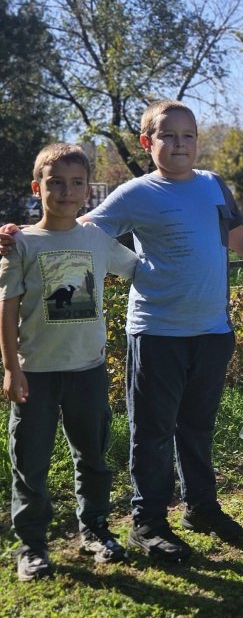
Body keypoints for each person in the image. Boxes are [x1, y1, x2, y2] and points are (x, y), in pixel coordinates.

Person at [84, 100, 243, 562]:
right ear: (148, 143)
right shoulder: (136, 193)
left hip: (212, 332)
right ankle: (148, 522)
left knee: (196, 427)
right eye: (168, 135)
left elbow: (239, 239)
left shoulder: (213, 186)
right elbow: (82, 231)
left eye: (189, 135)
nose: (180, 144)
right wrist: (22, 235)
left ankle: (201, 507)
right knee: (153, 432)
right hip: (157, 333)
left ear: (198, 141)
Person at [0, 144, 139, 581]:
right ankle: (32, 546)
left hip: (88, 372)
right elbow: (6, 309)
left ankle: (95, 530)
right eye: (55, 182)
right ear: (37, 187)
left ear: (88, 190)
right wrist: (10, 368)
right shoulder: (19, 242)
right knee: (30, 462)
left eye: (76, 182)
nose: (66, 191)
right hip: (34, 375)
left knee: (94, 456)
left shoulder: (96, 239)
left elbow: (142, 269)